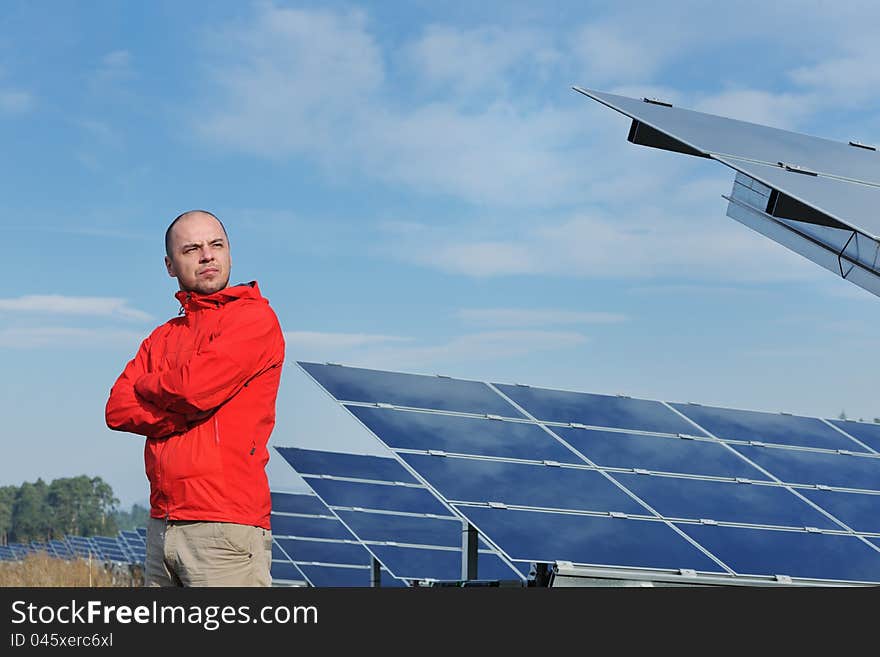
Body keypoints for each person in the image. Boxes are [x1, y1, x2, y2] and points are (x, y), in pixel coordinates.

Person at [105, 210, 285, 587]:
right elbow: (118, 407)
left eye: (216, 245)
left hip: (224, 528)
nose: (207, 255)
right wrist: (179, 418)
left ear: (230, 254)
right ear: (170, 265)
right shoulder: (163, 336)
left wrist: (151, 387)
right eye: (192, 249)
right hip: (163, 525)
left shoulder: (253, 320)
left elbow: (193, 390)